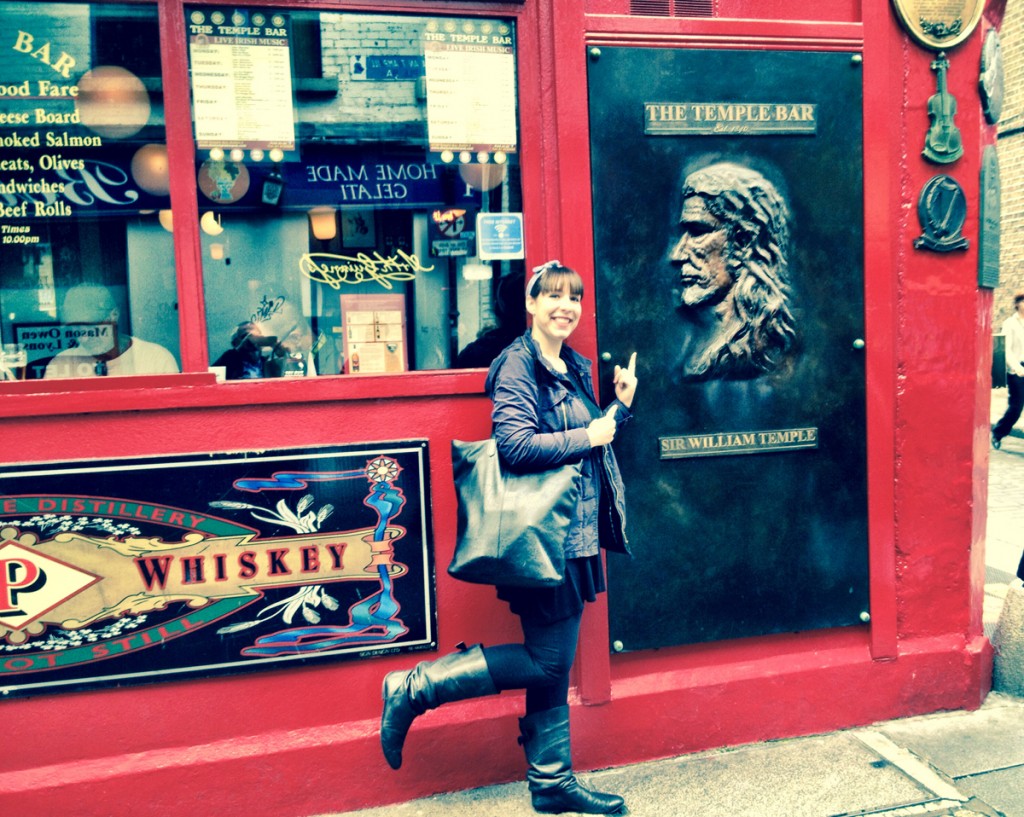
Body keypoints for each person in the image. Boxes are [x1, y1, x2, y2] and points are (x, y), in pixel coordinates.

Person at [380, 260, 638, 815]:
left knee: (552, 661)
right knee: (548, 663)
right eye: (554, 296)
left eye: (574, 298)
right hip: (543, 534)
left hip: (573, 534)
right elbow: (516, 447)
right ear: (531, 303)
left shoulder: (570, 364)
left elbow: (592, 441)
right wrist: (590, 431)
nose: (566, 307)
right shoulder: (518, 365)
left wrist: (620, 407)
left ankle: (551, 783)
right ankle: (416, 687)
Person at [668, 161, 796, 381]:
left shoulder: (761, 351)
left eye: (697, 232)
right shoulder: (698, 346)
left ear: (742, 242)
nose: (677, 254)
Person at [43, 284, 179, 378]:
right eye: (77, 329)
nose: (84, 338)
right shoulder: (61, 364)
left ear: (114, 315)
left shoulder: (156, 359)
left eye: (92, 328)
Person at [993, 291, 1024, 449]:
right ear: (1017, 304)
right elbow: (1007, 350)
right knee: (1016, 408)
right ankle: (998, 432)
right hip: (1016, 370)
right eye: (1023, 301)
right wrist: (1018, 368)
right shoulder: (1010, 323)